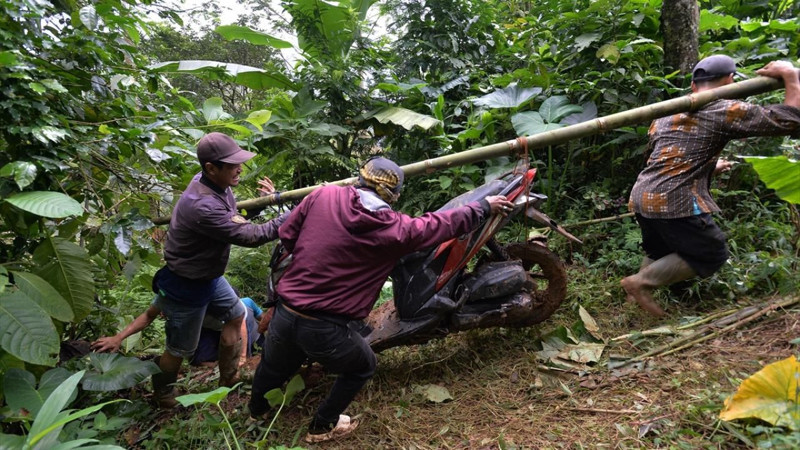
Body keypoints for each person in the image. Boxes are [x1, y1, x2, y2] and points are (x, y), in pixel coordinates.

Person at [247, 156, 515, 443]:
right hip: (324, 327)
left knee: (273, 366)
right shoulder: (393, 228)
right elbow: (435, 225)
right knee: (363, 366)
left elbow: (288, 236)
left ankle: (257, 411)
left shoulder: (323, 195)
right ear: (395, 195)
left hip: (286, 313)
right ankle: (322, 426)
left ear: (359, 178)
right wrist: (483, 206)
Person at [622, 56, 800, 317]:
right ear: (730, 80)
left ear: (694, 85)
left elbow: (667, 155)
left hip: (642, 194)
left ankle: (631, 303)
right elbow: (788, 120)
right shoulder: (723, 108)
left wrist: (708, 168)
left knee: (660, 249)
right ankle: (638, 284)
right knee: (712, 253)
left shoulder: (668, 112)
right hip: (673, 199)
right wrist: (790, 77)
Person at [148, 132, 288, 408]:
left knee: (236, 315)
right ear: (211, 168)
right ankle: (163, 395)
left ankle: (228, 379)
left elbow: (233, 221)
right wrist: (295, 212)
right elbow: (251, 237)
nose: (240, 169)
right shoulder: (201, 204)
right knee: (179, 348)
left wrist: (261, 206)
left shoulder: (213, 184)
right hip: (186, 282)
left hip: (209, 276)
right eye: (232, 164)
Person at [90, 295, 264, 366]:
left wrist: (242, 357)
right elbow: (148, 316)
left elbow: (240, 321)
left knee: (240, 354)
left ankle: (246, 357)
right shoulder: (169, 292)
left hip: (240, 322)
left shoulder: (218, 296)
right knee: (198, 360)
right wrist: (119, 337)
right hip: (209, 327)